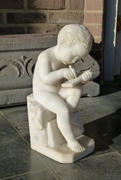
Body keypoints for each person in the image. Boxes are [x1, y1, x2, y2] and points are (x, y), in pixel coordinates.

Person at [33, 24, 93, 152]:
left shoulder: (67, 61)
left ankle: (66, 118)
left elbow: (71, 82)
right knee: (62, 109)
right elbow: (46, 79)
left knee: (76, 90)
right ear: (63, 44)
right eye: (73, 55)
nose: (74, 60)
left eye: (78, 58)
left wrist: (82, 79)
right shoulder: (46, 57)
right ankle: (70, 140)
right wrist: (61, 73)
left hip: (58, 89)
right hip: (43, 92)